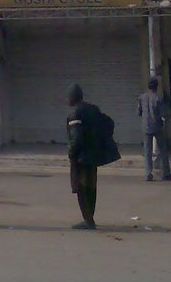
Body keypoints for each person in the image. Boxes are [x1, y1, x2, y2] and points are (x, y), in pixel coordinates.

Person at [66, 83, 99, 230]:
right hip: (93, 154)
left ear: (73, 97)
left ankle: (88, 220)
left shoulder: (75, 113)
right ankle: (90, 217)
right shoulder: (93, 109)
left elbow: (76, 137)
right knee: (91, 187)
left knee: (81, 188)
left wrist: (71, 152)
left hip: (81, 157)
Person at [138, 77, 171, 182]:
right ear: (156, 87)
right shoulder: (158, 98)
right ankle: (166, 173)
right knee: (163, 149)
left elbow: (139, 112)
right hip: (157, 126)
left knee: (147, 150)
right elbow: (163, 113)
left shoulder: (141, 97)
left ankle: (148, 174)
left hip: (145, 126)